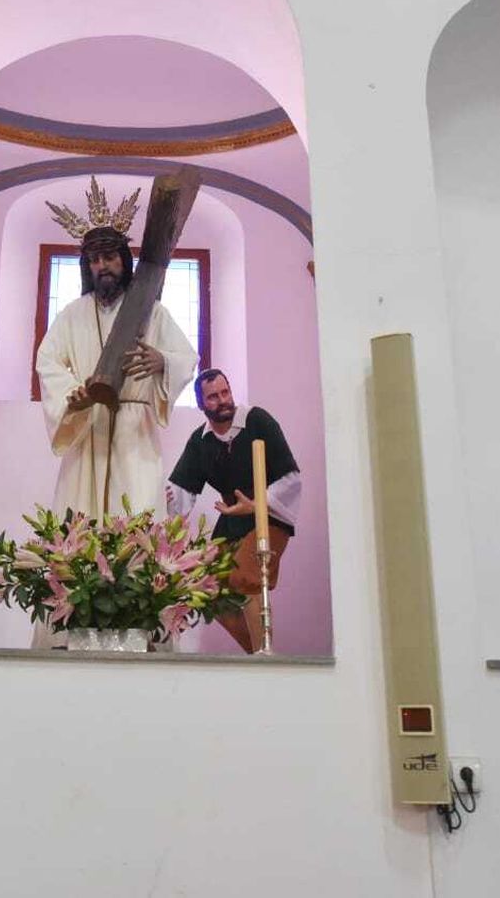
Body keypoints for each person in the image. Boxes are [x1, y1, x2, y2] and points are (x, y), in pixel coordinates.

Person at [35, 178, 198, 523]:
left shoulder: (151, 312)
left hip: (134, 435)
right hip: (88, 429)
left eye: (109, 257)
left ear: (123, 259)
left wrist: (162, 361)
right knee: (80, 527)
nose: (102, 266)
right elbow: (47, 361)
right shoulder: (72, 315)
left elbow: (187, 358)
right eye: (94, 260)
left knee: (137, 520)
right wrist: (73, 395)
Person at [166, 368, 302, 652]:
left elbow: (291, 477)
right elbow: (181, 491)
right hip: (231, 521)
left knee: (246, 577)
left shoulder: (257, 421)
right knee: (206, 587)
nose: (223, 401)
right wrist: (165, 508)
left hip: (269, 515)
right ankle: (257, 653)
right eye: (213, 397)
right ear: (201, 404)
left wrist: (258, 503)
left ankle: (265, 655)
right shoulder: (200, 441)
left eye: (225, 392)